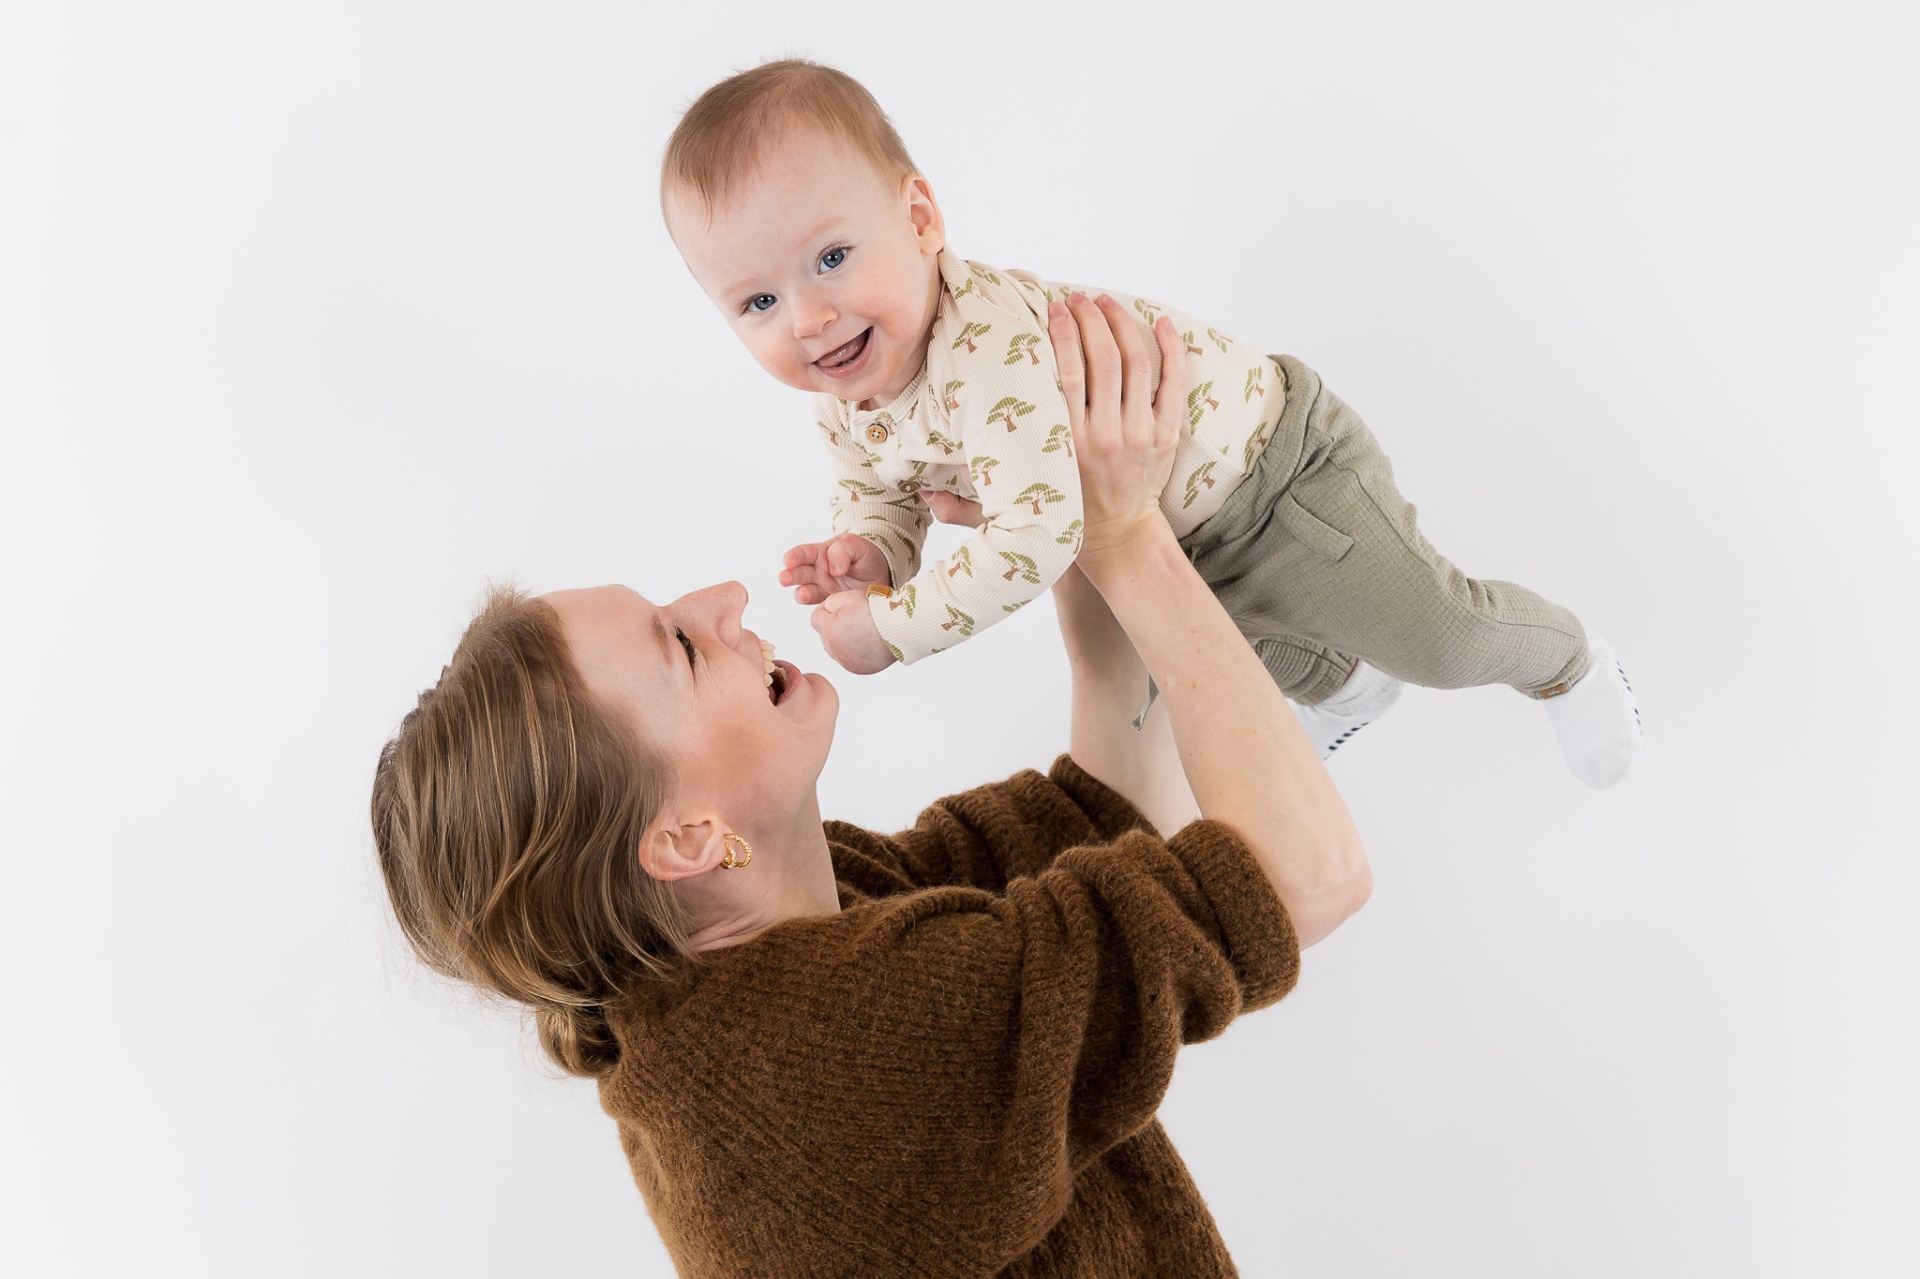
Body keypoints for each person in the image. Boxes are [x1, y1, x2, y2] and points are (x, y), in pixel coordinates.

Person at [372, 295, 1370, 1276]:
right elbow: (1303, 877)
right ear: (685, 836)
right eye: (677, 645)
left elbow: (1099, 815)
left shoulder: (759, 961)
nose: (724, 598)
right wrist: (1125, 534)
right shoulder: (836, 1063)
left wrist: (1054, 506)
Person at [660, 59, 1643, 787]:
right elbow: (882, 485)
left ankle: (1567, 662)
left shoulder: (985, 343)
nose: (809, 318)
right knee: (1214, 658)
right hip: (1166, 530)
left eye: (830, 258)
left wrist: (890, 628)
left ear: (920, 219)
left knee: (1438, 636)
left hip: (1274, 480)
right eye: (757, 303)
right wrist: (873, 553)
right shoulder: (849, 390)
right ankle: (1346, 688)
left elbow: (1035, 537)